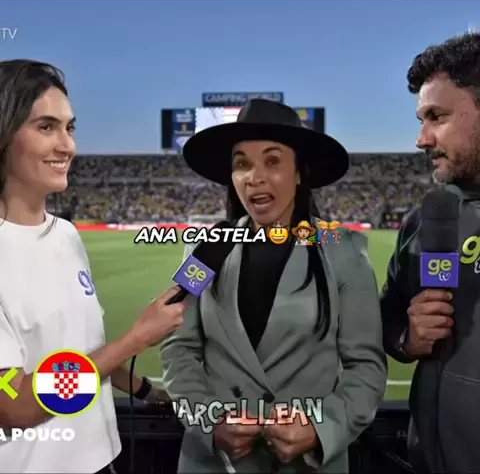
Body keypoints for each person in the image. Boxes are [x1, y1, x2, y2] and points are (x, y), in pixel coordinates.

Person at [161, 99, 387, 473]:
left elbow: (366, 367)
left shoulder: (344, 251)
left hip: (308, 465)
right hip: (215, 463)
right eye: (242, 164)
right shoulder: (205, 249)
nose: (255, 177)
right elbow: (178, 348)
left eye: (272, 161)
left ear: (299, 173)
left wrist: (320, 429)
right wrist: (209, 421)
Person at [0, 60, 187, 473]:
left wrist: (145, 391)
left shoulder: (66, 235)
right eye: (46, 127)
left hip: (104, 459)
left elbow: (82, 352)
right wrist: (138, 338)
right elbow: (13, 406)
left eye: (70, 128)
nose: (67, 146)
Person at [380, 30, 480, 473]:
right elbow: (388, 320)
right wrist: (408, 338)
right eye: (421, 119)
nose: (421, 139)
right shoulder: (425, 221)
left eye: (436, 117)